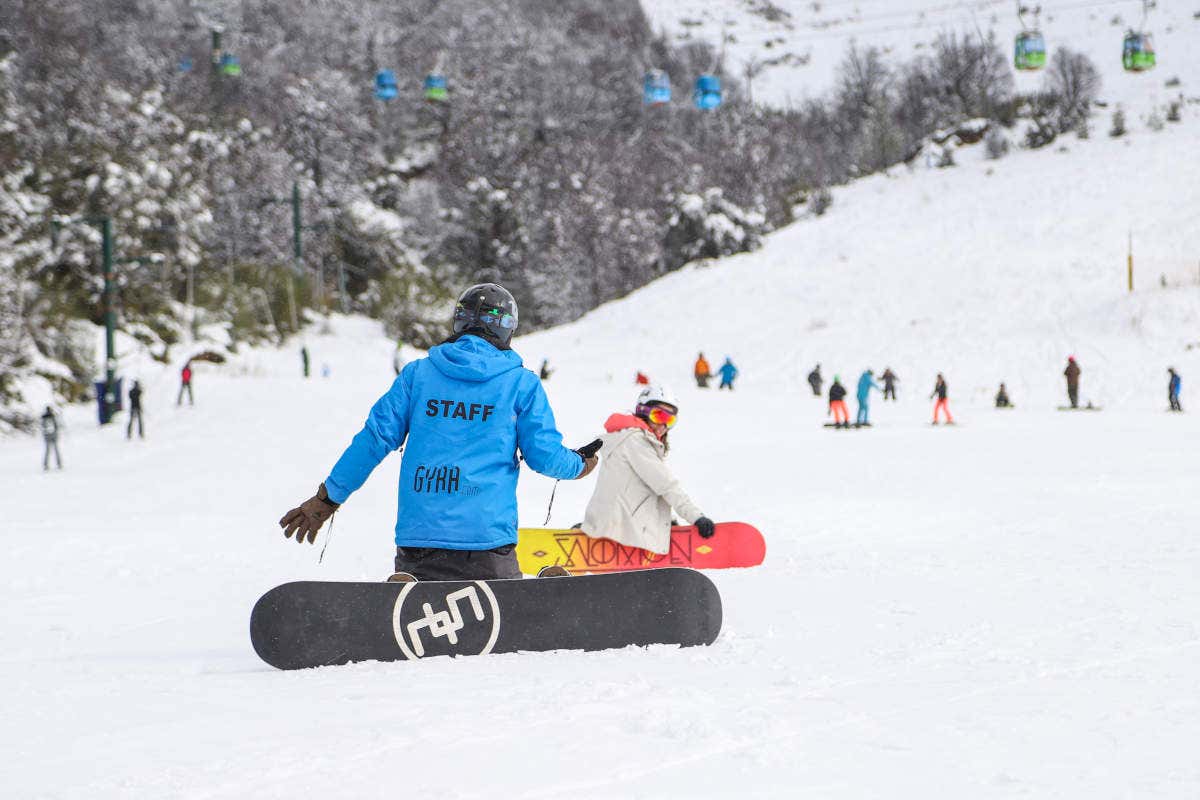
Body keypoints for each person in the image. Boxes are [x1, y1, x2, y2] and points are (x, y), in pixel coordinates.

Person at [278, 283, 597, 582]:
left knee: (415, 605)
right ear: (507, 328)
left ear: (459, 322)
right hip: (486, 540)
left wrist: (327, 499)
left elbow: (372, 441)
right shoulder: (520, 384)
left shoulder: (417, 375)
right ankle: (531, 606)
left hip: (419, 540)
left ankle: (408, 596)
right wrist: (578, 464)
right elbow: (544, 456)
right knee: (504, 606)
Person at [581, 385, 714, 554]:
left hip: (611, 526)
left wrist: (667, 520)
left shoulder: (627, 437)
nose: (663, 425)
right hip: (623, 535)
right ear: (643, 411)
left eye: (670, 420)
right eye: (658, 415)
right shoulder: (635, 441)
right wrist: (696, 517)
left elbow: (641, 491)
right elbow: (666, 485)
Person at [41, 406, 62, 471]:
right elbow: (56, 426)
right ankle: (59, 464)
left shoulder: (43, 418)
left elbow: (42, 427)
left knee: (47, 451)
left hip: (47, 436)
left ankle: (45, 465)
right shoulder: (53, 417)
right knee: (56, 450)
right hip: (54, 435)